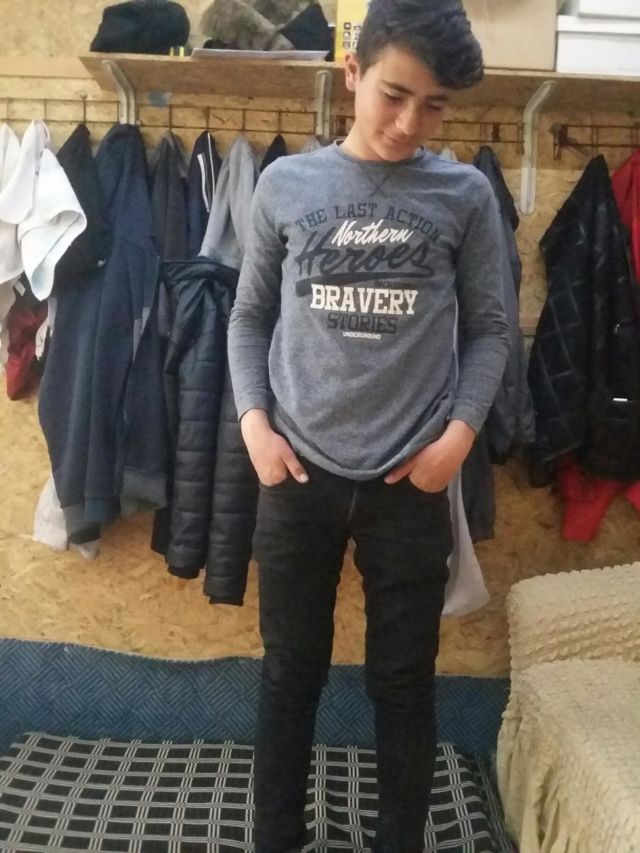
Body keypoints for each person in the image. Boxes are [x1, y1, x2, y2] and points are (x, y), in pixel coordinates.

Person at [227, 0, 510, 849]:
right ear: (351, 72)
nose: (409, 122)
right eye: (394, 94)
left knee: (404, 680)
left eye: (435, 105)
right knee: (289, 674)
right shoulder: (285, 185)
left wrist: (456, 440)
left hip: (410, 483)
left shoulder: (465, 195)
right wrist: (255, 426)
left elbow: (492, 330)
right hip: (297, 472)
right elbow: (248, 316)